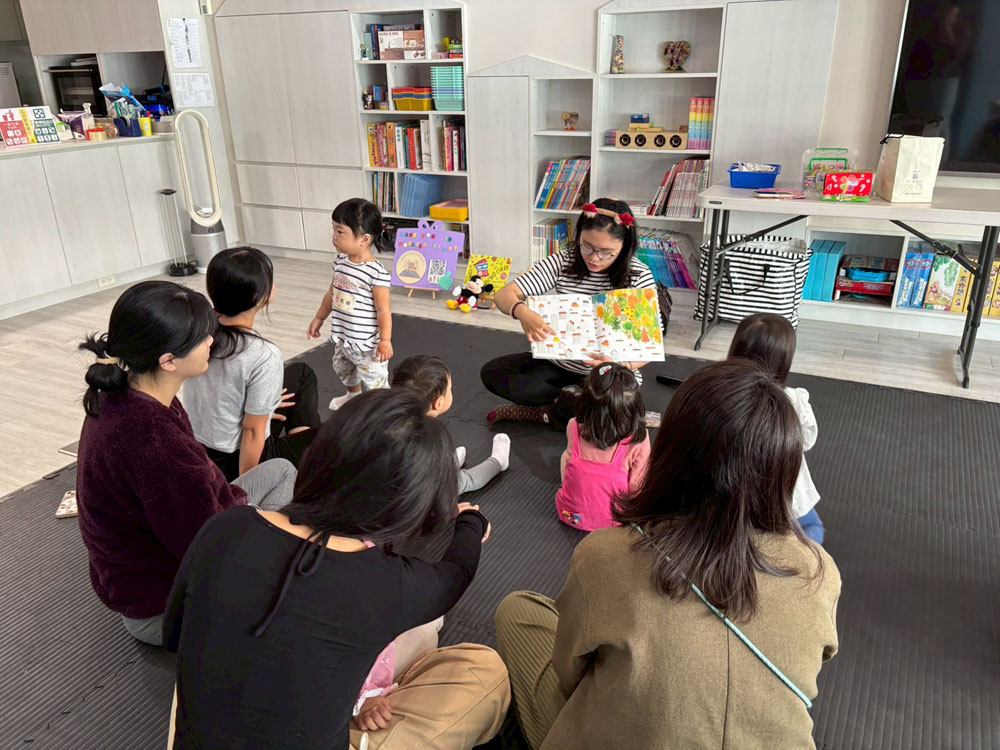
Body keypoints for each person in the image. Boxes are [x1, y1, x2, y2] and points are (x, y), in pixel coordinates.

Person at [495, 360, 841, 750]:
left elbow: (568, 671)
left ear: (674, 453)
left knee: (519, 610)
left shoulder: (603, 554)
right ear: (786, 468)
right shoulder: (819, 572)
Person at [164, 390, 510, 750]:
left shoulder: (227, 526)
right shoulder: (392, 585)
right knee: (483, 669)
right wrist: (471, 523)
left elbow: (174, 635)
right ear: (409, 507)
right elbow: (457, 573)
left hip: (193, 738)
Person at [76, 281, 297, 647]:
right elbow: (205, 548)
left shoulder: (127, 393)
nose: (212, 341)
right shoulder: (154, 443)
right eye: (201, 338)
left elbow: (201, 498)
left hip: (166, 557)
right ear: (168, 360)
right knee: (300, 595)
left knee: (282, 471)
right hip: (164, 610)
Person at [481, 197, 657, 429]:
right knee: (494, 372)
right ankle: (579, 409)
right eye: (587, 246)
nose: (594, 257)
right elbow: (504, 295)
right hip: (559, 365)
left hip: (608, 373)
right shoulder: (564, 261)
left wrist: (619, 363)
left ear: (624, 247)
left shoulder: (638, 275)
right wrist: (521, 312)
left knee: (614, 395)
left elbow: (648, 349)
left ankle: (553, 412)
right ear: (579, 235)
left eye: (606, 252)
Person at [184, 246, 321, 481]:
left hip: (203, 447)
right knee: (336, 437)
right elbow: (252, 432)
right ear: (261, 296)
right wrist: (246, 488)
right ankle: (296, 462)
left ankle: (295, 445)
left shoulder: (197, 332)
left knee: (301, 374)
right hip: (236, 460)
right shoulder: (263, 355)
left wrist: (265, 409)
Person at [728, 313, 824, 543]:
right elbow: (806, 441)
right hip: (783, 492)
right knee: (813, 527)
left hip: (730, 493)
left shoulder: (720, 395)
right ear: (783, 362)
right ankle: (787, 550)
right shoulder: (794, 400)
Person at [308, 198, 393, 410]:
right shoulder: (340, 263)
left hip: (367, 345)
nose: (334, 236)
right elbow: (332, 293)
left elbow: (383, 310)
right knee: (343, 368)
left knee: (375, 381)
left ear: (364, 239)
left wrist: (385, 340)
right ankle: (352, 396)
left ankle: (383, 411)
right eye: (334, 230)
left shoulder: (376, 273)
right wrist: (319, 317)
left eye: (340, 231)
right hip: (344, 337)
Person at [392, 354, 511, 494]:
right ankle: (498, 462)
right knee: (467, 479)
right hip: (418, 490)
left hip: (389, 483)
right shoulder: (429, 437)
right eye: (450, 390)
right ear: (438, 403)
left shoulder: (388, 421)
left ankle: (448, 464)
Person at [556, 363, 650, 531]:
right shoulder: (639, 440)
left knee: (566, 456)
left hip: (570, 516)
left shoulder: (574, 426)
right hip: (615, 523)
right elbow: (637, 488)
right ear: (635, 408)